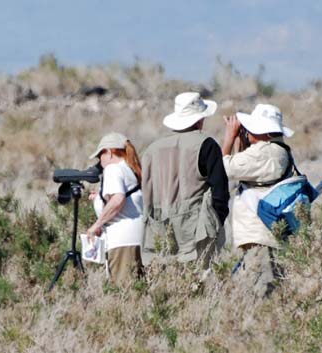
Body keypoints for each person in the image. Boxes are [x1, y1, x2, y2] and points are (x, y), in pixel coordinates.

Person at [142, 92, 229, 267]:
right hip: (198, 229)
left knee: (166, 283)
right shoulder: (207, 144)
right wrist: (215, 222)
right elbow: (220, 192)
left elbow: (145, 191)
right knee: (200, 283)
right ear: (200, 120)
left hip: (158, 227)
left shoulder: (152, 149)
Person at [222, 103, 295, 297]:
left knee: (260, 292)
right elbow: (244, 166)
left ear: (265, 133)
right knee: (269, 288)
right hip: (266, 232)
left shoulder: (265, 153)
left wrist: (229, 137)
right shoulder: (276, 150)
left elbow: (224, 168)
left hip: (260, 235)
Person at [87, 132, 144, 286]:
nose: (100, 163)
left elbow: (118, 199)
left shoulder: (113, 169)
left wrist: (96, 225)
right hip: (138, 238)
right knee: (139, 290)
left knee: (125, 293)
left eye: (100, 157)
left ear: (109, 152)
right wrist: (99, 199)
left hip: (122, 242)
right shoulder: (131, 170)